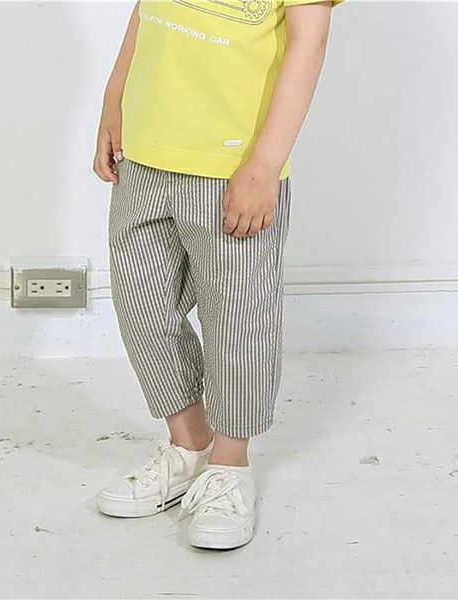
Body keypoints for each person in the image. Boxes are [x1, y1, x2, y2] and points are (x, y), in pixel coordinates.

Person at [93, 0, 343, 550]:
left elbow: (310, 42)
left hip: (232, 165)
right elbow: (145, 12)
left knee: (238, 320)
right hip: (145, 151)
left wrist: (266, 164)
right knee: (141, 306)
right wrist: (114, 100)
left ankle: (230, 465)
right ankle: (189, 444)